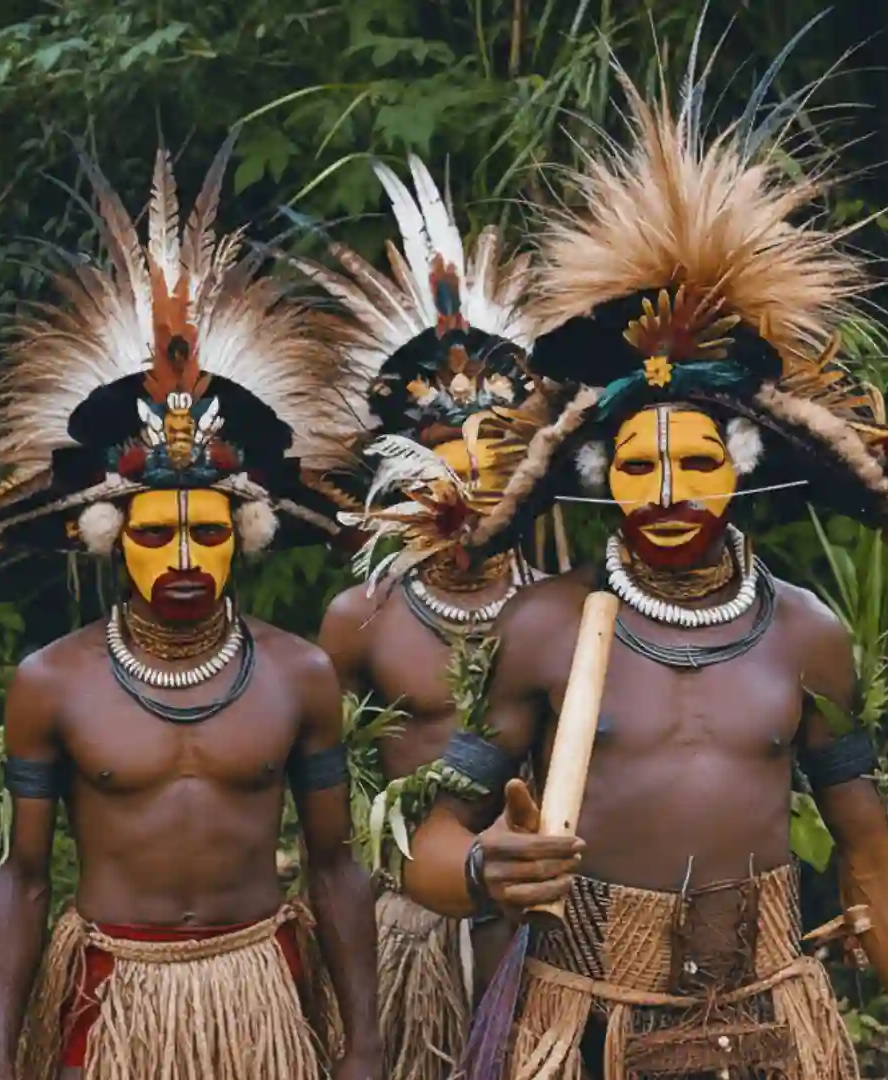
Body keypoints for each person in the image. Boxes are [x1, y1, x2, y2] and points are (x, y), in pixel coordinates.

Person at [388, 30, 888, 1080]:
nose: (670, 487)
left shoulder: (805, 633)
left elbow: (867, 845)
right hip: (587, 1021)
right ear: (604, 474)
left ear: (738, 466)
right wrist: (479, 867)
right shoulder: (546, 626)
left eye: (696, 457)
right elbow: (431, 845)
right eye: (640, 461)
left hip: (770, 1020)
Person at [0, 138, 383, 1080]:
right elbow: (19, 876)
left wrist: (365, 1043)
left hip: (261, 992)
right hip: (114, 999)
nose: (184, 557)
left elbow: (337, 865)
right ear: (108, 536)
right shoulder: (50, 683)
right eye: (154, 533)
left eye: (208, 531)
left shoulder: (300, 673)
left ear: (247, 534)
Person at [299, 153, 542, 1080]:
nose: (469, 480)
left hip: (548, 925)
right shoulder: (360, 619)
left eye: (495, 457)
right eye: (445, 459)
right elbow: (330, 819)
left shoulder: (567, 612)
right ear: (401, 471)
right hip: (411, 929)